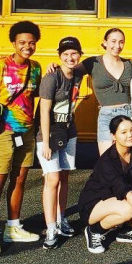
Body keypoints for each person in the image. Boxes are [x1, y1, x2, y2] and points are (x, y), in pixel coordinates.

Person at [0, 21, 43, 256]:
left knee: (20, 179)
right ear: (14, 43)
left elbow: (35, 98)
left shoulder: (36, 68)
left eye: (32, 42)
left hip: (26, 132)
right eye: (22, 42)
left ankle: (13, 227)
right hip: (1, 132)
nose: (27, 46)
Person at [78, 115, 132, 254]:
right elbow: (125, 191)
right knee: (129, 209)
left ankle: (126, 230)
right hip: (95, 203)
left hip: (120, 198)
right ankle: (94, 230)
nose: (130, 135)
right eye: (123, 132)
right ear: (114, 136)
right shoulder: (107, 161)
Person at [35, 37, 85, 249]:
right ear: (59, 56)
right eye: (65, 54)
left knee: (64, 176)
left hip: (68, 132)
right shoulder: (51, 78)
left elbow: (100, 60)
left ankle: (61, 218)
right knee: (52, 179)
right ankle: (51, 227)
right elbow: (44, 111)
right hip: (50, 134)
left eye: (74, 53)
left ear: (79, 55)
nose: (70, 57)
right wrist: (45, 142)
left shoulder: (79, 73)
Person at [80, 28, 132, 155]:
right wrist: (55, 66)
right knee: (107, 158)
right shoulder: (93, 63)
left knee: (128, 156)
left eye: (121, 42)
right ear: (105, 42)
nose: (117, 46)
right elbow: (70, 71)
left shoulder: (130, 64)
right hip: (106, 115)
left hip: (128, 114)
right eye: (113, 41)